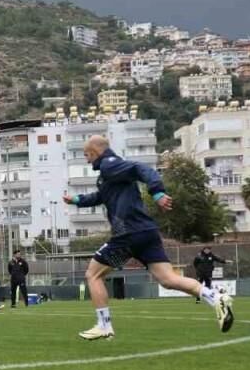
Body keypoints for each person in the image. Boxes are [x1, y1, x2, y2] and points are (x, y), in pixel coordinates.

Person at [65, 135, 233, 340]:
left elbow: (141, 169)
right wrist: (76, 199)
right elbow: (100, 196)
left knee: (93, 275)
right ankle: (215, 297)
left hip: (128, 234)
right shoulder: (109, 173)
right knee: (168, 279)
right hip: (147, 233)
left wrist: (157, 192)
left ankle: (104, 325)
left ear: (94, 152)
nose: (86, 160)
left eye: (86, 155)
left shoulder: (109, 165)